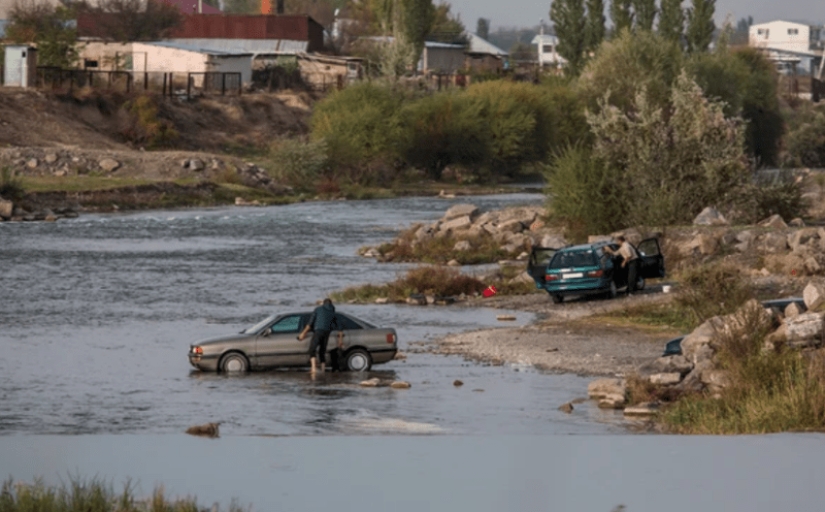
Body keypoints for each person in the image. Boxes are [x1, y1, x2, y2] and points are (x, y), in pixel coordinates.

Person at [298, 298, 344, 375]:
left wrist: (302, 334)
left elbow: (310, 324)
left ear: (323, 303)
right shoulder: (333, 312)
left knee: (312, 349)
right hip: (327, 332)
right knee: (322, 351)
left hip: (318, 330)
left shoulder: (318, 309)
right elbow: (340, 327)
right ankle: (323, 370)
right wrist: (340, 341)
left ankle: (313, 369)